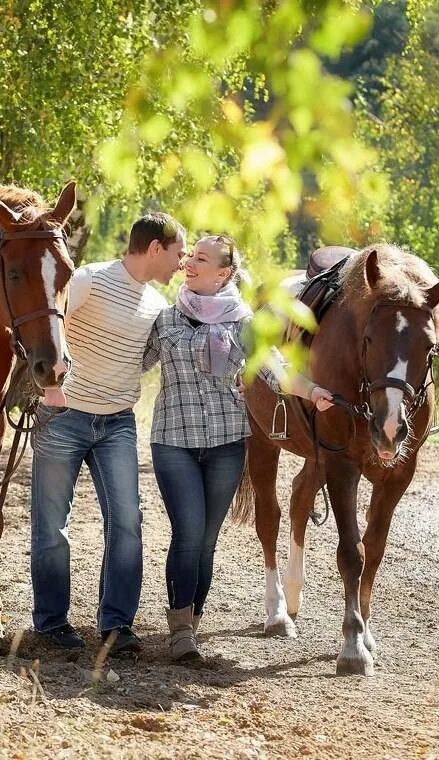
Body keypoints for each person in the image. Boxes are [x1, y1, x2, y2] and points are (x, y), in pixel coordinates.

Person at [142, 234, 334, 662]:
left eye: (201, 259)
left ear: (223, 273)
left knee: (207, 540)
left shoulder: (244, 323)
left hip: (227, 444)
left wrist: (313, 390)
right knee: (188, 532)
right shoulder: (165, 319)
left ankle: (193, 619)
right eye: (190, 257)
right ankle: (179, 630)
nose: (189, 264)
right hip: (174, 440)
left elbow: (276, 370)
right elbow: (131, 363)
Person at [30, 212, 187, 654]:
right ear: (155, 248)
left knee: (128, 523)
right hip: (64, 418)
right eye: (178, 253)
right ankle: (51, 625)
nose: (181, 262)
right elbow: (47, 328)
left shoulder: (158, 306)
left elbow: (143, 360)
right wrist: (51, 387)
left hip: (117, 422)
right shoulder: (89, 280)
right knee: (51, 527)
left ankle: (117, 627)